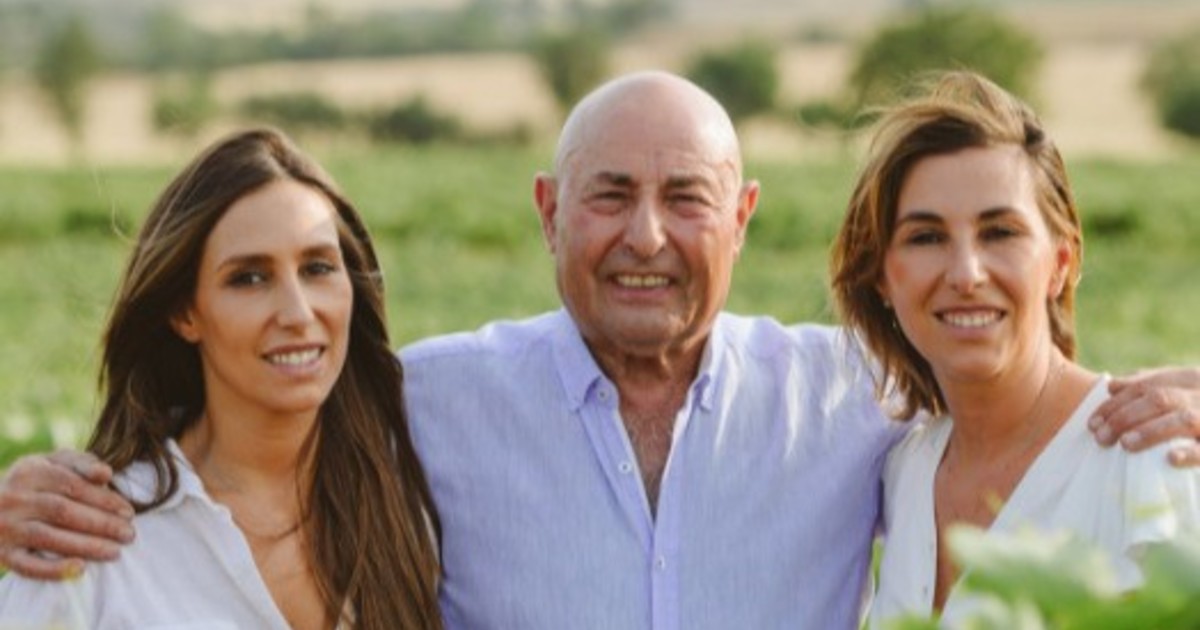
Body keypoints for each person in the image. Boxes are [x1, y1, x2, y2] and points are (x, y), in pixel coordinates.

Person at [2, 72, 1200, 629]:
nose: (646, 237)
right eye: (610, 194)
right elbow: (243, 457)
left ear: (742, 218)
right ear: (547, 210)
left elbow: (1006, 383)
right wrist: (39, 489)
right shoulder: (426, 402)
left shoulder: (856, 399)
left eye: (687, 198)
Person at [0, 128, 443, 629]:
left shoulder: (409, 503)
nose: (298, 313)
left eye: (318, 267)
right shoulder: (92, 541)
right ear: (185, 311)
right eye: (249, 278)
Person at [829, 71, 1200, 626]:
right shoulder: (905, 471)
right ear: (882, 277)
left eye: (1000, 232)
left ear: (1061, 262)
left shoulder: (1151, 458)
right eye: (926, 237)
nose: (966, 274)